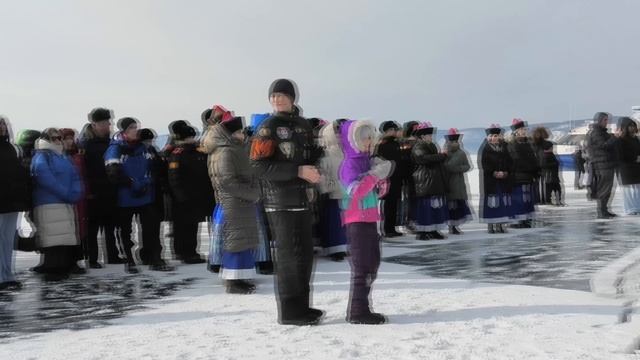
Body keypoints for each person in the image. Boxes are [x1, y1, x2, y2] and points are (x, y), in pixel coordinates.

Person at [250, 78, 324, 326]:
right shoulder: (268, 127)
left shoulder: (302, 124)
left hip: (303, 198)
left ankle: (302, 306)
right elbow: (259, 166)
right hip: (280, 201)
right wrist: (297, 171)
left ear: (293, 98)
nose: (276, 100)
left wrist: (316, 158)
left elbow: (309, 153)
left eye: (281, 95)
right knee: (289, 258)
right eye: (273, 96)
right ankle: (291, 312)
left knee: (304, 256)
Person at [338, 119, 392, 324]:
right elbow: (357, 191)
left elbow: (377, 193)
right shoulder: (349, 164)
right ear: (352, 140)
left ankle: (363, 307)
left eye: (370, 137)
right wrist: (375, 175)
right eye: (363, 138)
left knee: (372, 263)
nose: (368, 141)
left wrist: (382, 181)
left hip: (369, 218)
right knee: (362, 267)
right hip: (356, 221)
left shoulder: (366, 160)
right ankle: (357, 311)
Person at [105, 117, 174, 273]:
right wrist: (132, 183)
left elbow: (155, 167)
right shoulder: (115, 149)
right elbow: (113, 173)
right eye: (131, 128)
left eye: (136, 127)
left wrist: (147, 181)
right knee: (125, 230)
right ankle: (129, 260)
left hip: (146, 194)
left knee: (151, 228)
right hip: (125, 197)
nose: (135, 130)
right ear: (124, 131)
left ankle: (154, 258)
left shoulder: (145, 148)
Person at [204, 116, 261, 293]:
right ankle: (233, 281)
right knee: (235, 240)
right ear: (231, 134)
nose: (242, 135)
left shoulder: (232, 148)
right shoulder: (225, 152)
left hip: (241, 200)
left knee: (242, 240)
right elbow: (227, 181)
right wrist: (252, 193)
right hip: (234, 201)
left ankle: (241, 277)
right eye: (239, 132)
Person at [31, 128, 85, 278]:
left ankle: (64, 265)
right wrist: (65, 192)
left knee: (63, 238)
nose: (57, 140)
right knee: (53, 239)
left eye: (58, 138)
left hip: (65, 204)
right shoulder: (42, 156)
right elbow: (44, 177)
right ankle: (53, 267)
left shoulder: (63, 156)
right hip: (49, 204)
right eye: (53, 138)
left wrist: (75, 192)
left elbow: (75, 176)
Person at [79, 108, 122, 266]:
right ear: (94, 124)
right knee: (93, 228)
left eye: (108, 123)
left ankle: (113, 255)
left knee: (111, 226)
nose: (107, 126)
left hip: (110, 190)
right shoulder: (85, 145)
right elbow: (81, 170)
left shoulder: (111, 143)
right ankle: (92, 258)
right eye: (104, 123)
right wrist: (88, 190)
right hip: (93, 192)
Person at [167, 121, 213, 264]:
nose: (192, 140)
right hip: (184, 197)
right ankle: (184, 252)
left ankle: (191, 252)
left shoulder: (199, 152)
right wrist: (180, 195)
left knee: (193, 226)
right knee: (183, 227)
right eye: (189, 138)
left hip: (198, 195)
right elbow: (174, 176)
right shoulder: (177, 154)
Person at [0, 116, 29, 290]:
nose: (2, 127)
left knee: (8, 239)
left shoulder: (13, 148)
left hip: (12, 200)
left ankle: (7, 273)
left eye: (3, 124)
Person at [411, 122, 449, 240]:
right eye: (429, 135)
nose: (431, 137)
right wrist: (441, 156)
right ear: (423, 136)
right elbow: (423, 159)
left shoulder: (431, 145)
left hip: (433, 180)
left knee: (434, 207)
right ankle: (422, 232)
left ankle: (433, 229)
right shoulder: (418, 147)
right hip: (424, 180)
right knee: (425, 207)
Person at [317, 121, 348, 261]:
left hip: (348, 194)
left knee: (346, 222)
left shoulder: (348, 153)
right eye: (336, 133)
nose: (339, 136)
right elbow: (321, 174)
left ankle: (345, 246)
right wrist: (328, 188)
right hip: (333, 195)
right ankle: (335, 249)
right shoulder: (326, 154)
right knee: (334, 223)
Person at [60, 128, 89, 266]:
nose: (69, 141)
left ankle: (77, 257)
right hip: (65, 197)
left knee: (79, 226)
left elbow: (84, 175)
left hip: (79, 197)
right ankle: (68, 258)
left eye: (71, 138)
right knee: (67, 227)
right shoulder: (57, 156)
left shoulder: (79, 156)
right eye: (66, 138)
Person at [478, 124, 513, 234]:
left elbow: (510, 162)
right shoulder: (486, 149)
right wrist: (494, 172)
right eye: (493, 136)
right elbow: (484, 164)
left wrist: (505, 172)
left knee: (501, 202)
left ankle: (500, 224)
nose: (495, 138)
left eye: (496, 136)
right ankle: (490, 225)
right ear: (489, 137)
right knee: (492, 202)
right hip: (491, 180)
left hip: (503, 180)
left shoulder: (504, 148)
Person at [586, 112, 619, 218]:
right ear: (599, 120)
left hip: (606, 164)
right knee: (604, 188)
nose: (607, 122)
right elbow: (604, 146)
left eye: (607, 120)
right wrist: (615, 137)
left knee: (607, 188)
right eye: (605, 120)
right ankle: (601, 211)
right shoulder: (596, 133)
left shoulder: (602, 132)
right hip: (602, 164)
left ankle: (604, 210)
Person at [507, 119, 538, 228]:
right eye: (521, 129)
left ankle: (527, 218)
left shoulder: (528, 143)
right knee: (518, 199)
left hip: (528, 176)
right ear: (516, 132)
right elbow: (513, 161)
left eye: (524, 129)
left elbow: (533, 159)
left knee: (528, 199)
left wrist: (535, 170)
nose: (523, 131)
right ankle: (518, 220)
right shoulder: (511, 145)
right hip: (517, 177)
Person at [375, 121, 403, 238]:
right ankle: (386, 229)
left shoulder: (396, 144)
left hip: (396, 176)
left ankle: (391, 228)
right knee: (386, 205)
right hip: (387, 178)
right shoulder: (382, 144)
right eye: (393, 130)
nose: (395, 132)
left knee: (394, 204)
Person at [443, 128, 472, 234]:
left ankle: (455, 226)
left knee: (457, 205)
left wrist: (458, 169)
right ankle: (451, 226)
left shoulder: (462, 153)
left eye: (456, 141)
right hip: (448, 182)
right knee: (450, 205)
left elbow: (467, 166)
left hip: (458, 182)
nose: (454, 143)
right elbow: (444, 166)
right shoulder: (445, 153)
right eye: (452, 141)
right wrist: (452, 168)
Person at [615, 117, 640, 215]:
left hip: (636, 168)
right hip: (626, 169)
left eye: (633, 126)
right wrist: (634, 158)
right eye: (630, 126)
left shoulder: (636, 139)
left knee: (637, 189)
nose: (632, 128)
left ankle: (637, 207)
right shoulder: (620, 140)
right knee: (628, 190)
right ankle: (630, 209)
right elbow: (620, 155)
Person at [532, 127, 563, 206]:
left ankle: (542, 200)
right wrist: (555, 164)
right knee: (553, 187)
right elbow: (548, 162)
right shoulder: (547, 147)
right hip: (549, 173)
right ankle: (552, 200)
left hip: (540, 172)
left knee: (542, 187)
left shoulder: (534, 146)